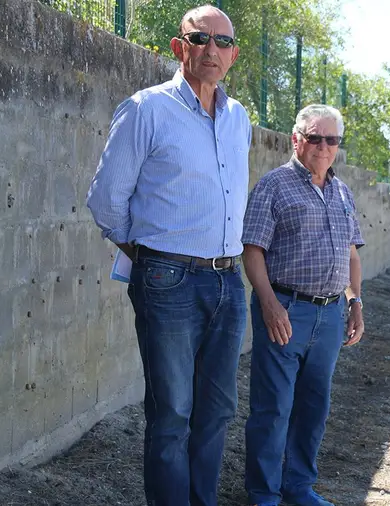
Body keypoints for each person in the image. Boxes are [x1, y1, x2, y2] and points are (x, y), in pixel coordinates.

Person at [85, 6, 250, 505]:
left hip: (228, 280)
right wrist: (153, 257)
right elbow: (106, 202)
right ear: (179, 47)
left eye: (222, 42)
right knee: (172, 413)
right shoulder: (146, 109)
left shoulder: (239, 117)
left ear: (233, 55)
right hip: (168, 279)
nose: (211, 50)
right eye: (200, 38)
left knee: (217, 410)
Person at [240, 104, 365, 506]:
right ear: (297, 139)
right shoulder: (274, 186)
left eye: (332, 140)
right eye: (315, 137)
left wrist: (355, 302)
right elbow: (253, 250)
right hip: (287, 311)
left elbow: (351, 255)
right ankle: (263, 493)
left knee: (314, 406)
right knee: (273, 407)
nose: (324, 146)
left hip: (329, 315)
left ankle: (298, 487)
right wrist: (270, 304)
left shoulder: (342, 191)